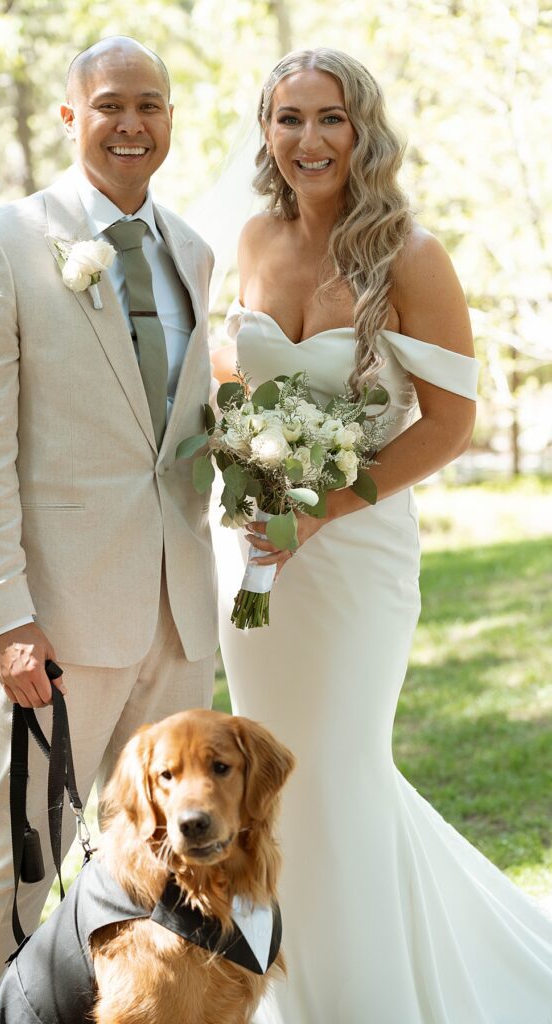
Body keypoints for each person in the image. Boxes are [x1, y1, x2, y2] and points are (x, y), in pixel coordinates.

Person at [213, 48, 552, 1023]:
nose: (306, 140)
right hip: (256, 552)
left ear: (362, 131)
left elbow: (450, 424)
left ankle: (371, 1000)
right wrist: (245, 459)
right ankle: (289, 992)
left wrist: (320, 507)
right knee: (269, 781)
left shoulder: (410, 254)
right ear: (266, 132)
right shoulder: (252, 235)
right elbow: (241, 378)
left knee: (340, 766)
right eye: (287, 119)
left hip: (353, 555)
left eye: (328, 119)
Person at [0, 36, 217, 1024]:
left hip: (176, 617)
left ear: (171, 119)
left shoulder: (192, 250)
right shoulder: (2, 242)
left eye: (150, 104)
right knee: (19, 860)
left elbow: (175, 440)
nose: (130, 123)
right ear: (70, 117)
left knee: (154, 856)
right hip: (52, 623)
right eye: (109, 105)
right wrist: (8, 616)